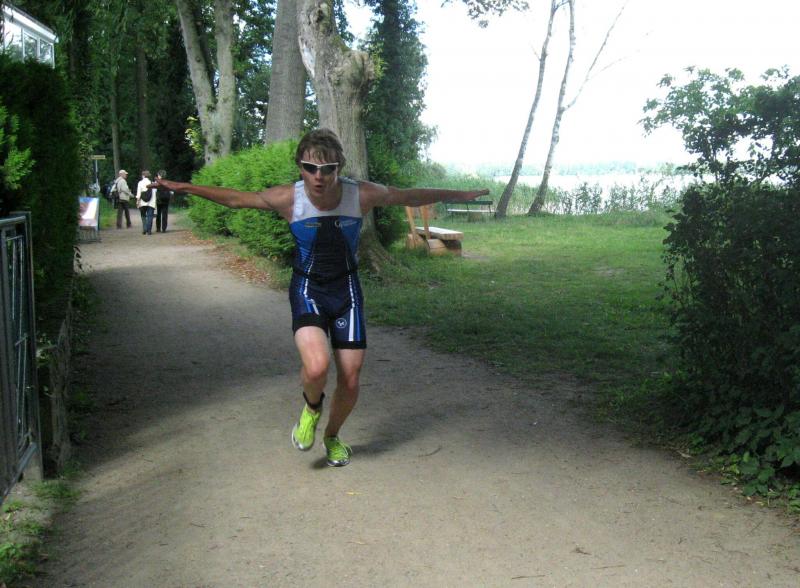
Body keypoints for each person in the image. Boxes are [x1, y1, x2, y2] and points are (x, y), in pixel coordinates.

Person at [155, 128, 489, 467]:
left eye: (328, 169)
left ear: (339, 168)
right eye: (310, 168)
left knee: (351, 377)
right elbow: (236, 199)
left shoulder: (360, 195)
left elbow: (407, 195)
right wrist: (185, 187)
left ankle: (332, 436)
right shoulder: (289, 198)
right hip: (308, 290)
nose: (319, 176)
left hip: (347, 291)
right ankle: (312, 409)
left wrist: (460, 194)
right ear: (300, 167)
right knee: (316, 367)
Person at [136, 170, 157, 235]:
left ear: (143, 176)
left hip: (142, 202)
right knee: (150, 216)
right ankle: (149, 230)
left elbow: (138, 193)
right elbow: (154, 193)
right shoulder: (152, 183)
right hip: (151, 202)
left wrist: (137, 201)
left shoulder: (140, 183)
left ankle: (145, 228)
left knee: (143, 216)